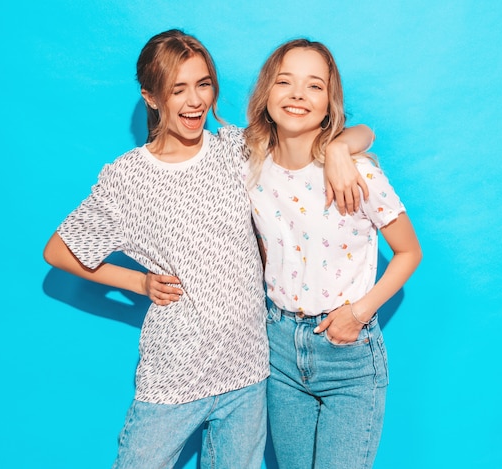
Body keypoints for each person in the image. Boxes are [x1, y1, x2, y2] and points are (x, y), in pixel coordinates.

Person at [42, 29, 373, 469]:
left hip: (249, 373)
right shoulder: (127, 179)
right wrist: (137, 281)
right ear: (152, 97)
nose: (195, 100)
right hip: (175, 373)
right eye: (178, 89)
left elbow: (349, 131)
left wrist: (338, 149)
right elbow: (58, 252)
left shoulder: (237, 148)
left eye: (203, 84)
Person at [244, 39, 423, 468]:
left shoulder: (355, 172)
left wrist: (358, 313)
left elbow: (409, 252)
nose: (298, 95)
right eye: (284, 82)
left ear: (330, 104)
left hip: (347, 354)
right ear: (266, 93)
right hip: (280, 350)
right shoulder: (251, 166)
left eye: (314, 86)